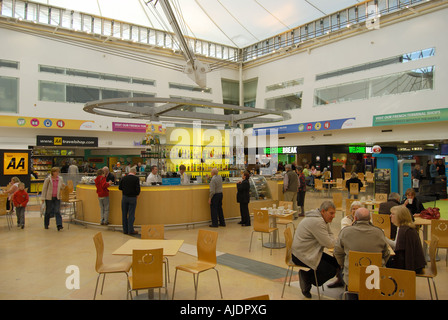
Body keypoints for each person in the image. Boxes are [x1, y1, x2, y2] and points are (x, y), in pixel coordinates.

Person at [291, 201, 339, 298]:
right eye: (331, 213)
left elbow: (330, 235)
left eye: (334, 213)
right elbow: (328, 243)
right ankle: (307, 278)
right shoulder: (317, 221)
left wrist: (332, 240)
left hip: (309, 251)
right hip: (301, 254)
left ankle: (307, 276)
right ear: (323, 211)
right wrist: (335, 241)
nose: (333, 216)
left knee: (336, 263)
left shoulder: (322, 220)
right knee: (331, 270)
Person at [334, 207, 391, 288]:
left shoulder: (345, 232)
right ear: (370, 218)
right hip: (375, 278)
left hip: (351, 278)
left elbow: (338, 253)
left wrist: (345, 264)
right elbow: (386, 254)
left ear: (355, 218)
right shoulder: (379, 233)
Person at [386, 205, 426, 274]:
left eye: (393, 214)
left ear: (400, 216)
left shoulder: (404, 230)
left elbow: (399, 253)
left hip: (412, 266)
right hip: (416, 264)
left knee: (381, 263)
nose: (390, 216)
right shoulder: (405, 228)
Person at [119, 167, 140, 235]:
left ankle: (125, 230)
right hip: (132, 198)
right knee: (131, 214)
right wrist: (136, 194)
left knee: (124, 214)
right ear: (135, 172)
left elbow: (120, 187)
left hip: (124, 197)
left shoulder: (124, 178)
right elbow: (138, 189)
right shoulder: (136, 179)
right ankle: (130, 230)